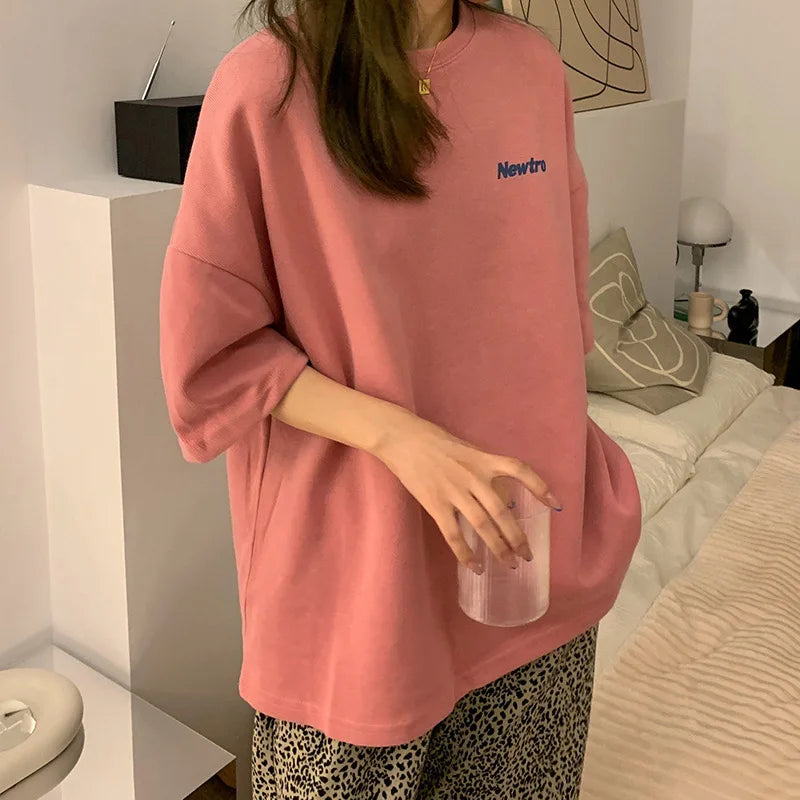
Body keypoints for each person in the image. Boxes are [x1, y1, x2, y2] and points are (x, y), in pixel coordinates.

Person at [158, 0, 642, 797]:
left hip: (529, 573)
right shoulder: (266, 87)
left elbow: (557, 324)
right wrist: (403, 438)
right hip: (358, 595)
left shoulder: (530, 68)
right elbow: (213, 360)